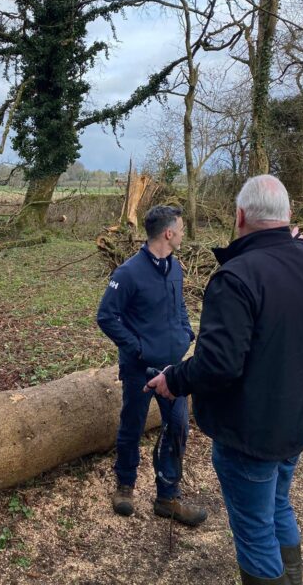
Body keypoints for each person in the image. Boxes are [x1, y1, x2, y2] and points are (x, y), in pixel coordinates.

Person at [146, 176, 303, 585]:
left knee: (256, 532)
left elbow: (218, 364)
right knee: (278, 506)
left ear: (240, 215)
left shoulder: (236, 277)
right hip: (295, 422)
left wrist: (174, 379)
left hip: (250, 435)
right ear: (288, 215)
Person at [97, 205, 207, 526]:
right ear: (168, 233)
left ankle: (168, 497)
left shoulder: (175, 267)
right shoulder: (128, 273)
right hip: (140, 370)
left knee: (179, 426)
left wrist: (185, 332)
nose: (183, 234)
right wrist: (138, 349)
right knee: (132, 425)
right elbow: (106, 316)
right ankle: (125, 486)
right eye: (181, 229)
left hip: (173, 369)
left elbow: (180, 304)